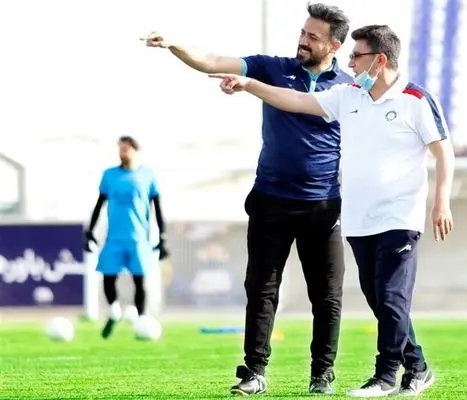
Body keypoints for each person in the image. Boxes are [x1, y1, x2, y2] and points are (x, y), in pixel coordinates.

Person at [208, 24, 455, 397]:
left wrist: (441, 202)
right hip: (359, 218)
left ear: (380, 60)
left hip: (399, 216)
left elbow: (443, 151)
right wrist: (249, 85)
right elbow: (294, 100)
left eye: (356, 56)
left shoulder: (415, 99)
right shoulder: (349, 95)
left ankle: (386, 376)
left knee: (391, 296)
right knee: (379, 298)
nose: (350, 63)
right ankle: (417, 366)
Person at [141, 3, 352, 396]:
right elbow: (210, 61)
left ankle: (322, 373)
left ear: (334, 46)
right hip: (270, 200)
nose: (303, 41)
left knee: (327, 296)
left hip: (323, 207)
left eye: (313, 37)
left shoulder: (349, 88)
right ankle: (254, 372)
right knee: (261, 290)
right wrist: (173, 44)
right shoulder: (271, 68)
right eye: (302, 32)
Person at [84, 136, 169, 339]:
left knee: (140, 280)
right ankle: (114, 311)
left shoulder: (147, 175)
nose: (122, 153)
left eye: (126, 149)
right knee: (107, 276)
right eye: (120, 149)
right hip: (114, 237)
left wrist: (162, 237)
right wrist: (90, 231)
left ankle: (142, 320)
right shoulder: (110, 175)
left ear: (135, 150)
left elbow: (157, 208)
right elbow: (100, 203)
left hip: (139, 239)